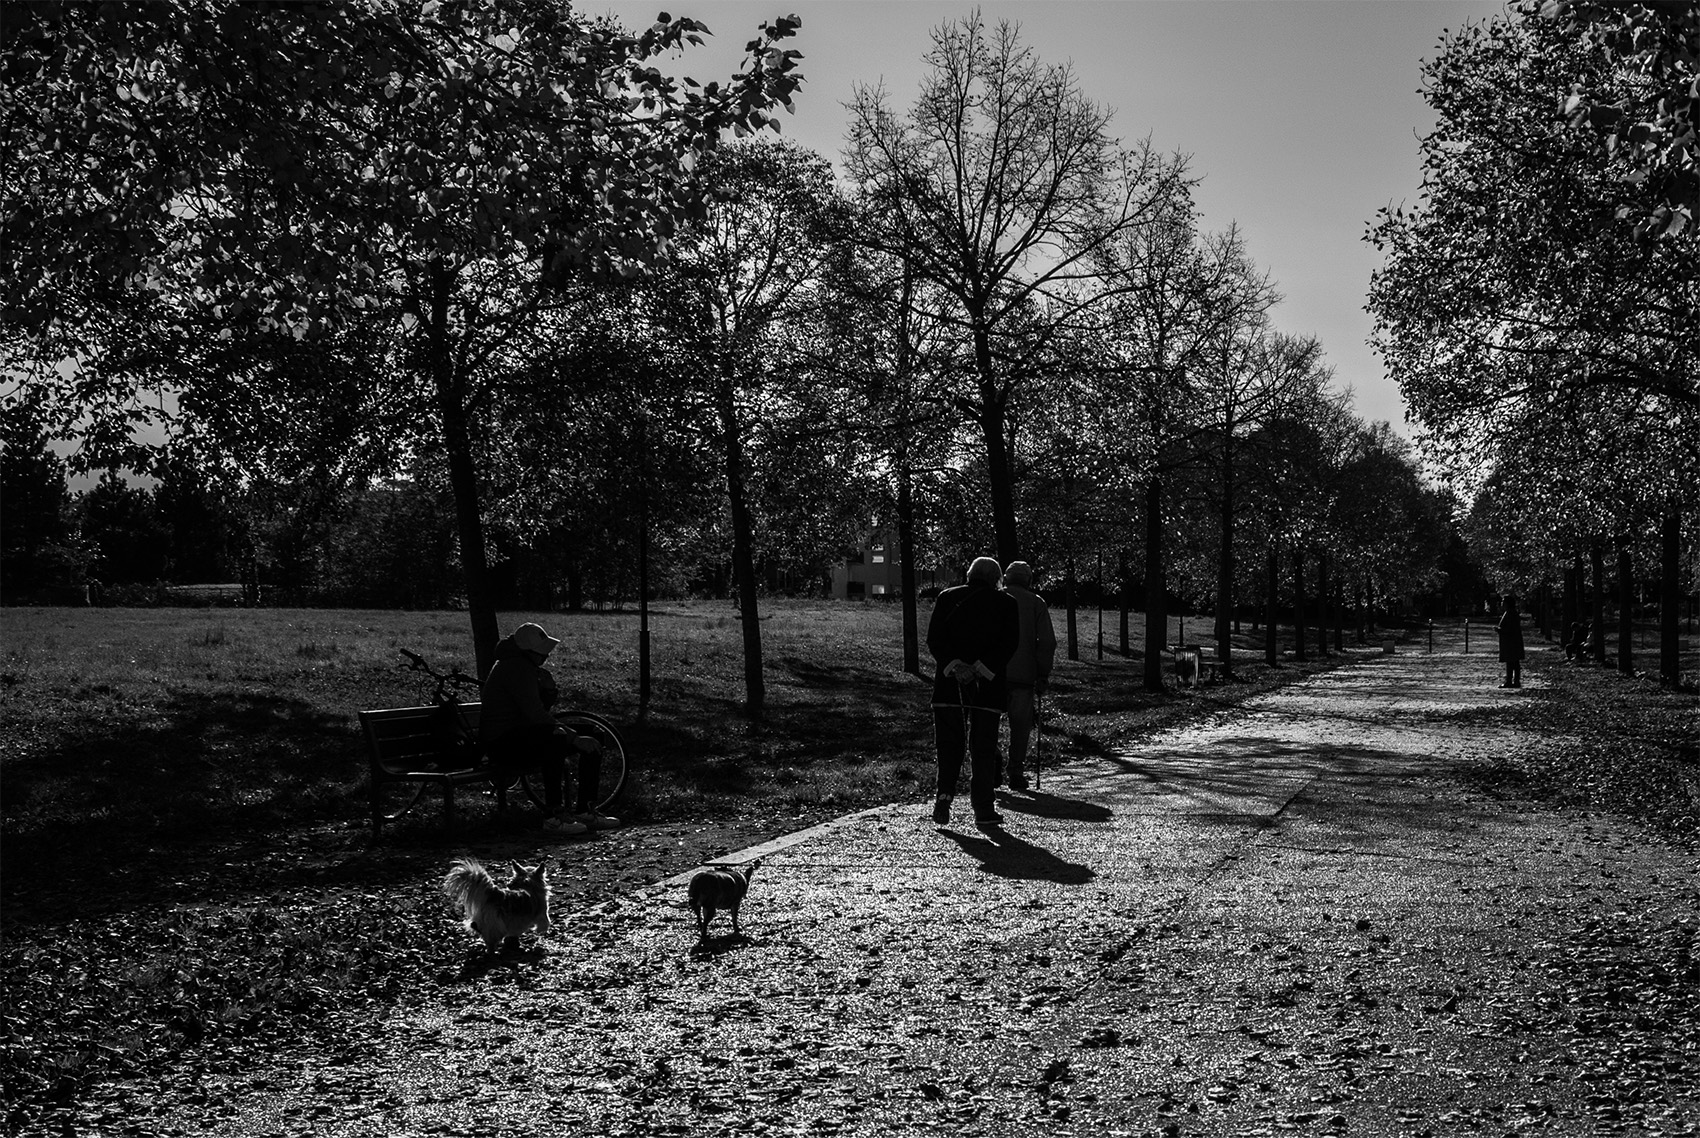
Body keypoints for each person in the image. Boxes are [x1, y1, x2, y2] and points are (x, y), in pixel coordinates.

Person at [480, 622, 619, 834]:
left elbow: (534, 713)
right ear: (527, 652)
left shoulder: (523, 666)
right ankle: (554, 815)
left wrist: (548, 692)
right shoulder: (515, 668)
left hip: (520, 735)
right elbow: (535, 715)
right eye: (542, 654)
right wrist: (574, 738)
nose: (546, 658)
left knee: (593, 734)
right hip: (502, 743)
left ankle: (585, 810)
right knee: (557, 738)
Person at [926, 556, 1019, 827]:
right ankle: (983, 808)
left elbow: (935, 639)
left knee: (948, 744)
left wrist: (957, 667)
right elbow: (1009, 644)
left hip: (948, 687)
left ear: (969, 574)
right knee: (983, 748)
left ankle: (944, 797)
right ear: (997, 578)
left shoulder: (947, 597)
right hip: (988, 688)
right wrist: (980, 669)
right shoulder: (1006, 603)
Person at [999, 561, 1056, 792]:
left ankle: (989, 768)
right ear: (1028, 580)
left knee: (987, 724)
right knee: (1020, 727)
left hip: (993, 673)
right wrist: (1042, 673)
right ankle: (1015, 772)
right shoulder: (1036, 603)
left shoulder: (995, 598)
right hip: (1023, 675)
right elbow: (1047, 642)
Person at [1496, 595, 1525, 688]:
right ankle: (1515, 681)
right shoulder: (1511, 613)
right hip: (1513, 641)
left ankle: (1510, 681)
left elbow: (1510, 629)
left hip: (1511, 642)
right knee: (1514, 662)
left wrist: (1500, 630)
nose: (1502, 603)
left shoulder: (1510, 613)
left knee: (1511, 661)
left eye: (1503, 602)